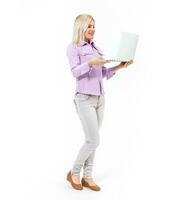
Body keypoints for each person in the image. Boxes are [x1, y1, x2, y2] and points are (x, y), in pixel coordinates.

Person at [66, 14, 133, 191]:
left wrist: (120, 66)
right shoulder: (73, 48)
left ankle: (88, 177)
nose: (93, 29)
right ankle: (74, 172)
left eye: (94, 26)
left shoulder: (96, 48)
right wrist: (90, 63)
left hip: (100, 98)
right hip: (84, 99)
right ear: (80, 27)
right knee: (93, 141)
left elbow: (102, 74)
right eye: (89, 26)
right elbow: (75, 72)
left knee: (91, 139)